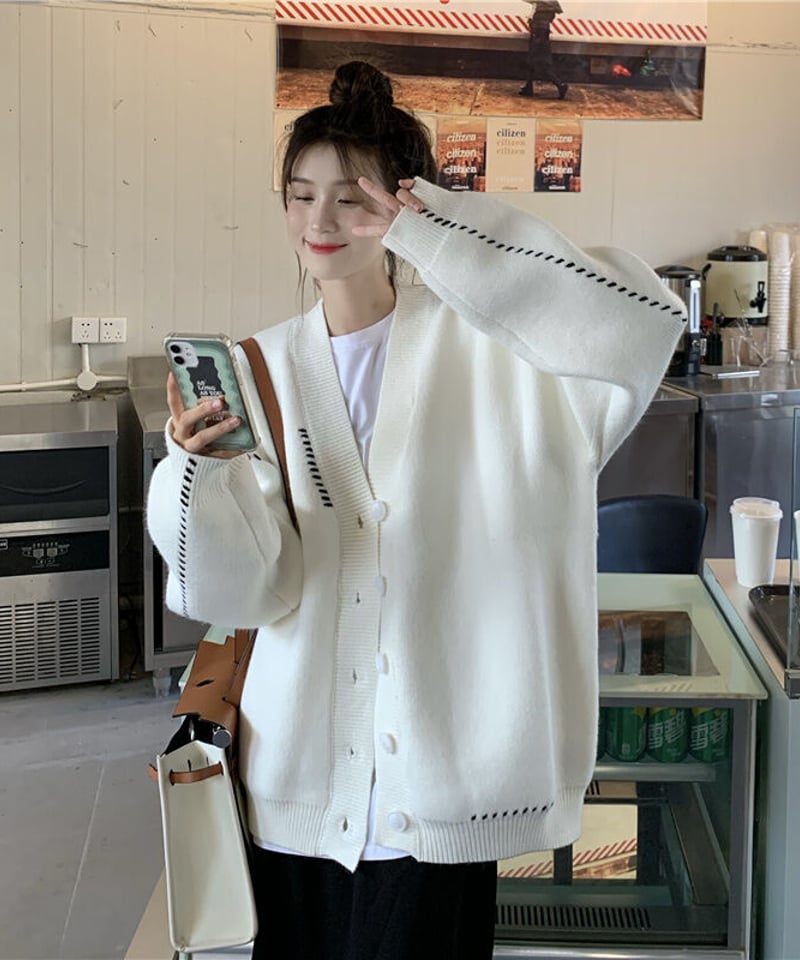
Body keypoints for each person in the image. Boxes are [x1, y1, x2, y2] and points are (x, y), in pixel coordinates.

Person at [147, 60, 685, 960]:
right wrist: (196, 473)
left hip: (442, 794)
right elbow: (242, 594)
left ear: (404, 203)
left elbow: (641, 321)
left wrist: (441, 234)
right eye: (301, 196)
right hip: (296, 789)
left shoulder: (502, 356)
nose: (321, 221)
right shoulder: (259, 368)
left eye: (352, 198)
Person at [518, 0, 569, 100]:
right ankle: (528, 87)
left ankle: (560, 85)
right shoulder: (549, 12)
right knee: (534, 64)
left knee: (540, 65)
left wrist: (531, 22)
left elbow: (538, 30)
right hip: (540, 36)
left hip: (538, 37)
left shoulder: (540, 15)